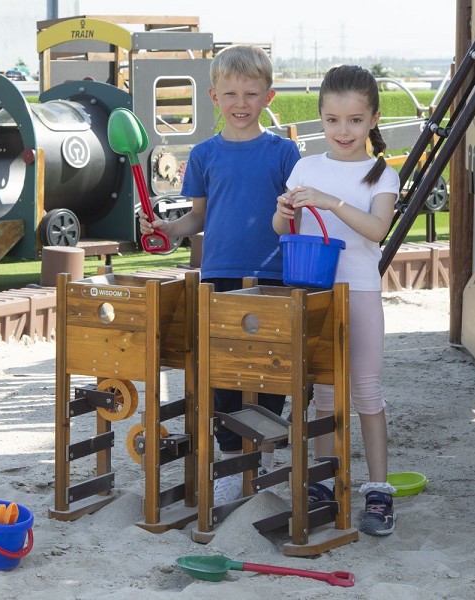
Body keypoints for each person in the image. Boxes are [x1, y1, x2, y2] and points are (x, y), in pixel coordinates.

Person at [139, 44, 301, 504]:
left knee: (270, 371)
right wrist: (170, 230)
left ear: (268, 97)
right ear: (213, 96)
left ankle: (264, 455)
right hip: (218, 278)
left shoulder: (285, 153)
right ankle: (231, 461)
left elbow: (298, 218)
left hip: (274, 278)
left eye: (251, 93)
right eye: (230, 93)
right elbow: (199, 218)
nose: (240, 102)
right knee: (221, 374)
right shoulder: (205, 153)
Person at [272, 64, 400, 536]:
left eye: (354, 120)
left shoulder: (380, 174)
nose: (342, 131)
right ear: (321, 119)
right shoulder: (305, 166)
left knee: (366, 389)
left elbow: (377, 230)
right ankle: (325, 484)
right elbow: (282, 230)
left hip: (361, 292)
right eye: (331, 120)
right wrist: (285, 211)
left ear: (373, 119)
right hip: (315, 293)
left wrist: (330, 202)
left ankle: (380, 491)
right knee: (324, 393)